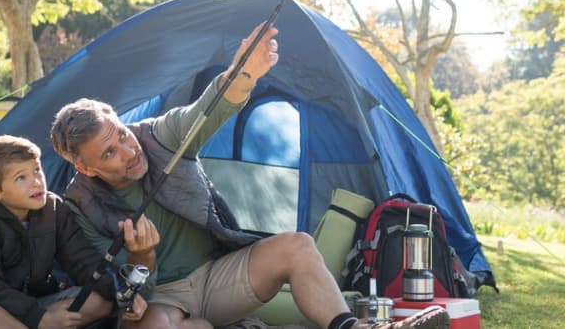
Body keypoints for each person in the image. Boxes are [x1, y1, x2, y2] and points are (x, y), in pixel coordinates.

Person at [49, 23, 450, 329]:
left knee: (297, 245)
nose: (127, 150)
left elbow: (206, 110)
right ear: (85, 167)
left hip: (217, 274)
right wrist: (141, 259)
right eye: (109, 153)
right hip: (164, 298)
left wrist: (244, 74)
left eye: (121, 134)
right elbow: (123, 294)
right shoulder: (81, 206)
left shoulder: (156, 136)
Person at [0, 135, 156, 329]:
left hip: (36, 302)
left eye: (37, 170)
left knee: (101, 299)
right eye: (21, 177)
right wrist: (38, 318)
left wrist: (121, 291)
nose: (37, 182)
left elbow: (83, 262)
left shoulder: (55, 210)